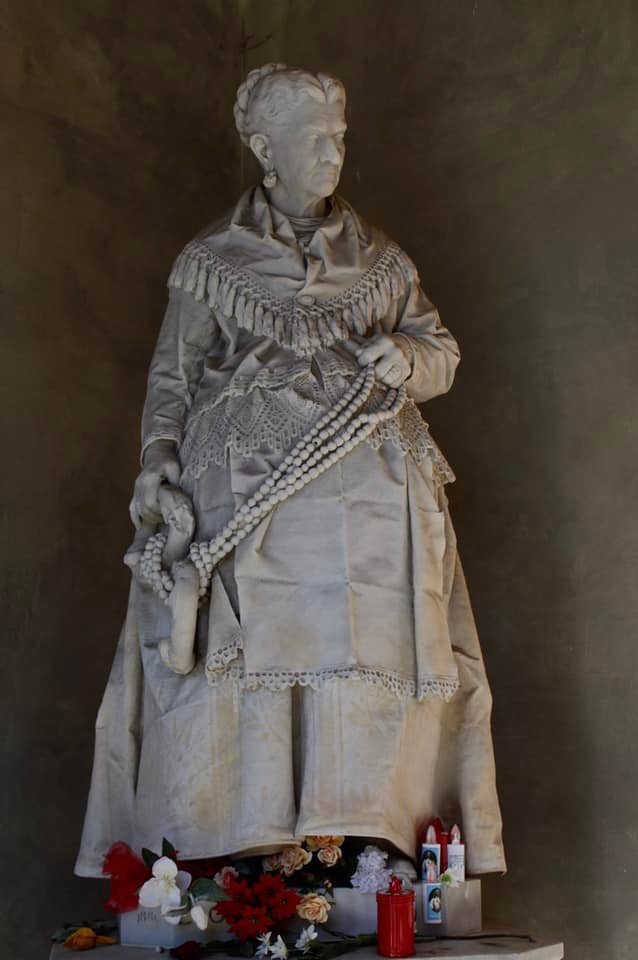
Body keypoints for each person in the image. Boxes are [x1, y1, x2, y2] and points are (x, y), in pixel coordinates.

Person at [75, 64, 505, 879]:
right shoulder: (212, 259)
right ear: (265, 149)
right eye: (314, 138)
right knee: (246, 657)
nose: (333, 152)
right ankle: (250, 844)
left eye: (339, 136)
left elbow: (440, 351)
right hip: (245, 489)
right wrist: (156, 464)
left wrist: (406, 355)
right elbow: (173, 375)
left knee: (370, 657)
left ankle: (366, 841)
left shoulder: (381, 259)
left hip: (373, 497)